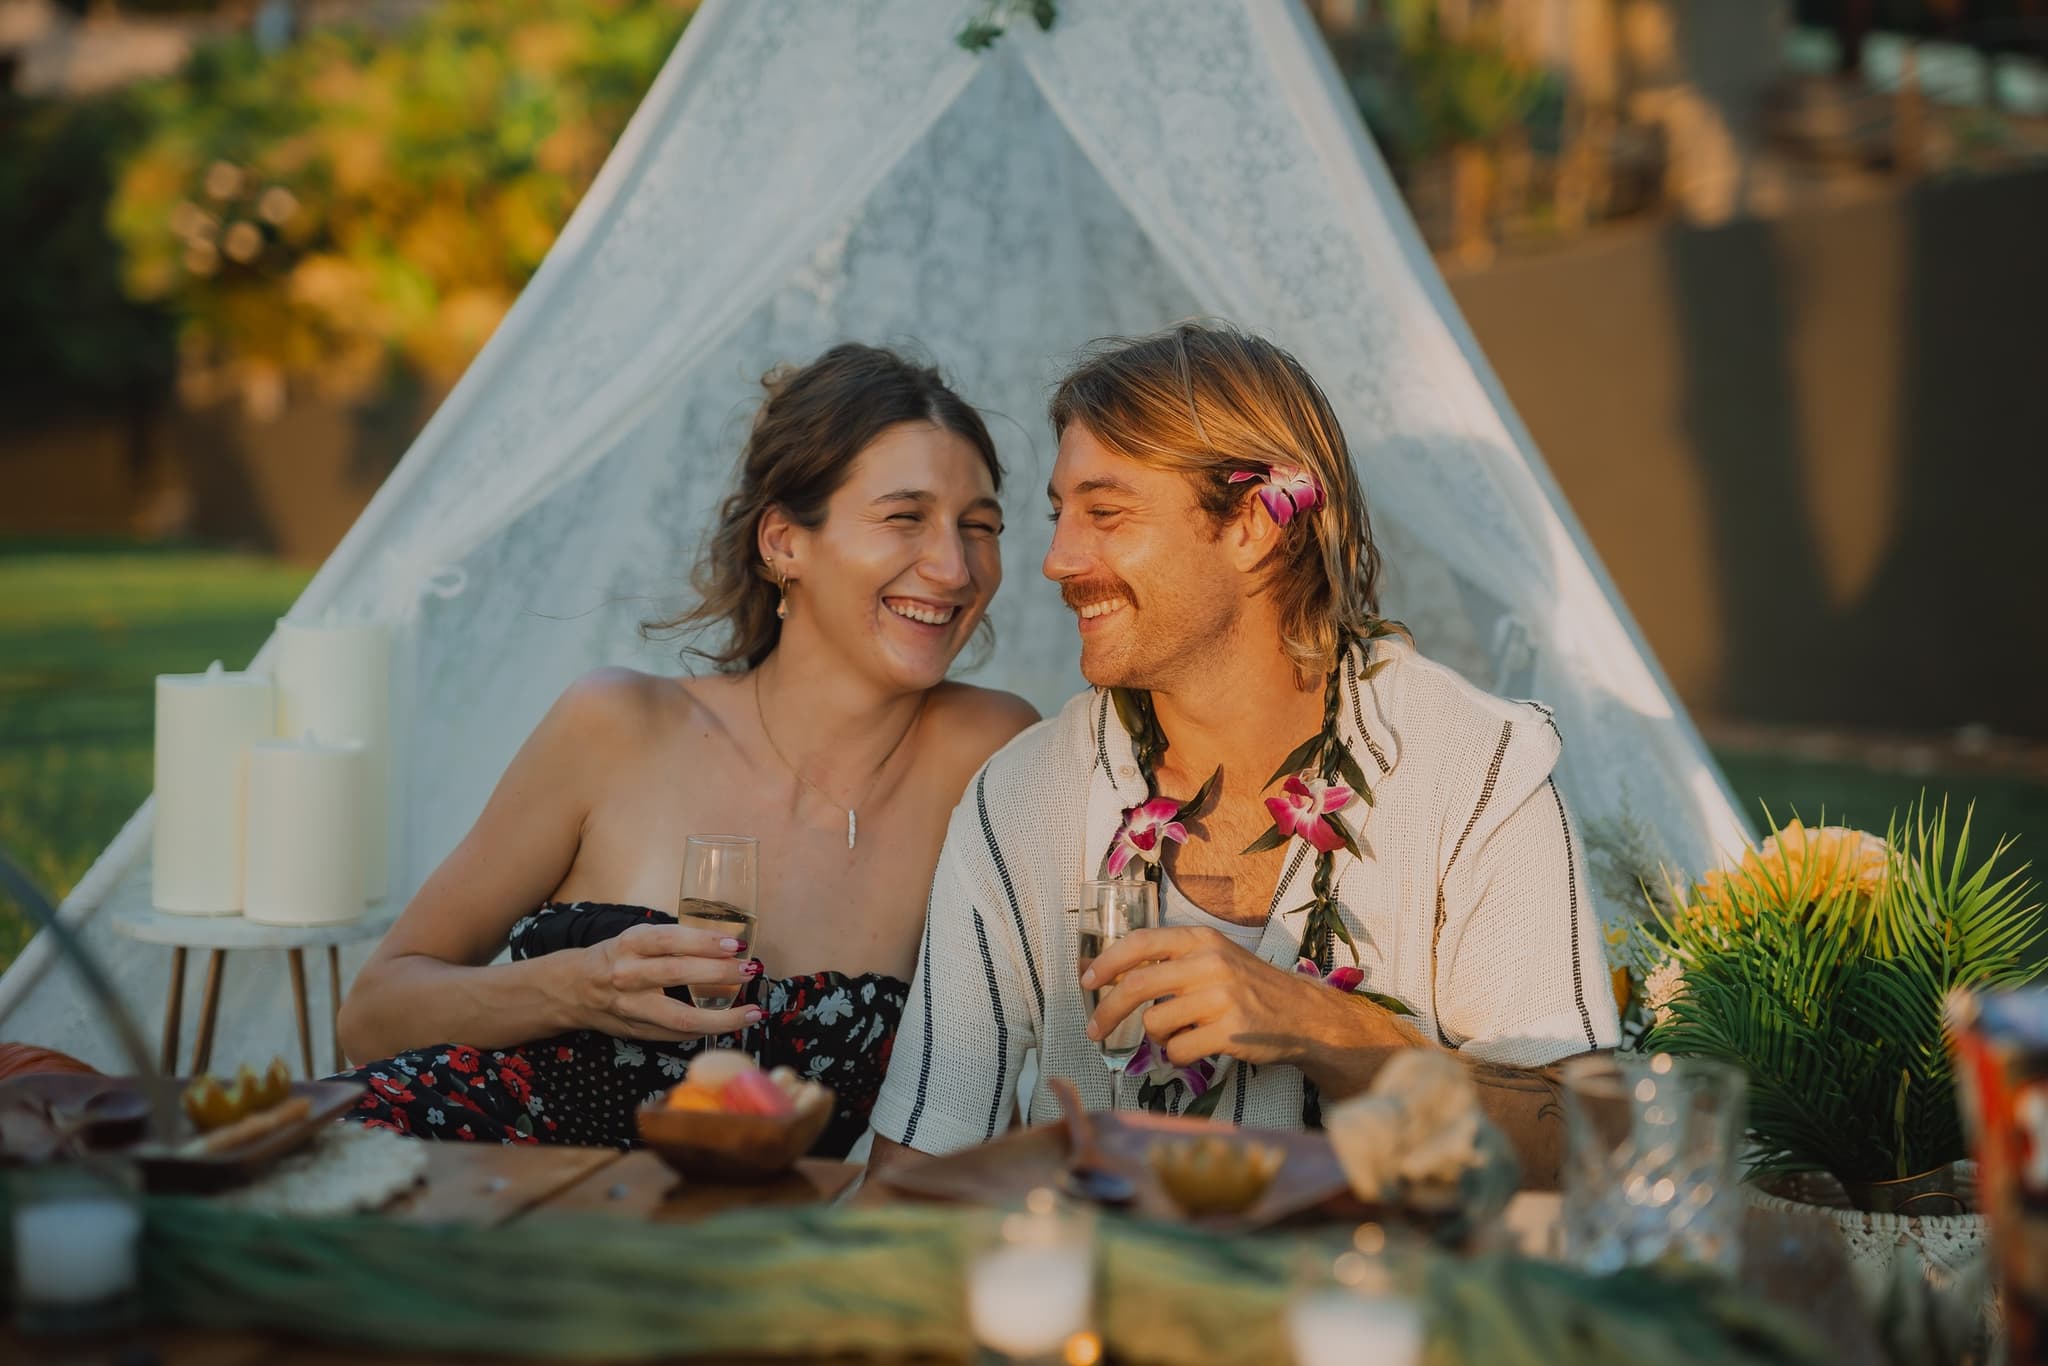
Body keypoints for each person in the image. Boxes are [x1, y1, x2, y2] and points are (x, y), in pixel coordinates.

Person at [867, 322, 1618, 1179]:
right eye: (1059, 515)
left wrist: (1321, 1026)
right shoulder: (1024, 795)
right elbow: (915, 1171)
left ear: (1257, 523)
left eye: (1105, 513)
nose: (1056, 560)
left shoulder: (1476, 771)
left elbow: (1589, 1145)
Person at [334, 344, 1038, 1155]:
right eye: (904, 517)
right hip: (467, 1173)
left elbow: (985, 1086)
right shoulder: (617, 724)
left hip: (721, 1251)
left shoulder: (986, 753)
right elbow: (373, 1016)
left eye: (979, 527)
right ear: (783, 543)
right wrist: (574, 988)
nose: (954, 567)